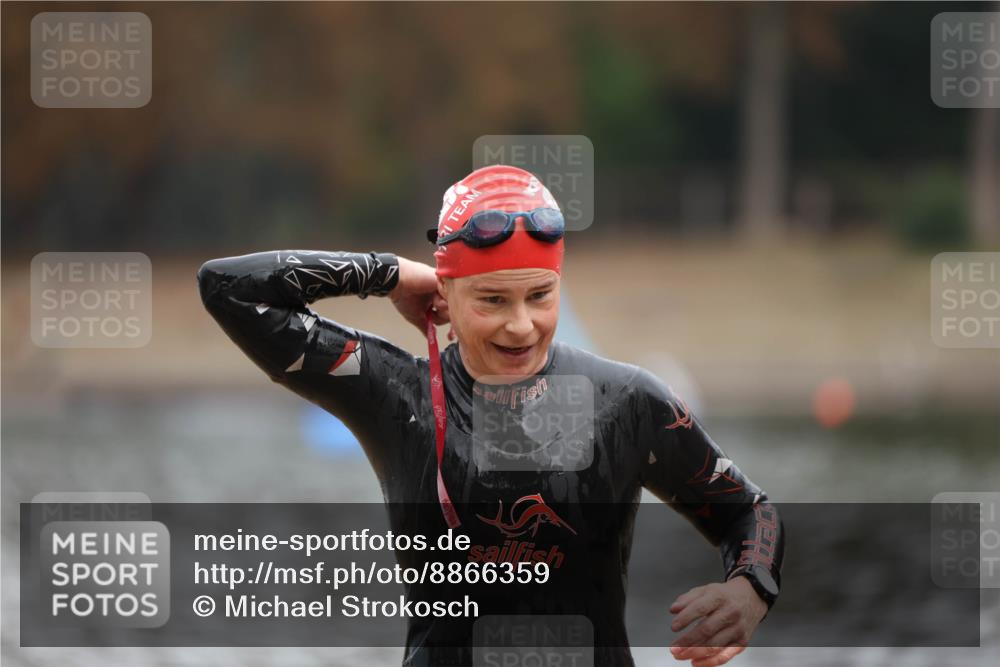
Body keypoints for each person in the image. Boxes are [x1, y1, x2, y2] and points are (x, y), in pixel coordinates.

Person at [198, 165, 785, 667]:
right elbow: (228, 287)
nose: (521, 324)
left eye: (540, 296)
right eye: (492, 300)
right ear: (445, 296)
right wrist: (388, 274)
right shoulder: (394, 396)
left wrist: (749, 589)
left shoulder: (626, 402)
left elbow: (747, 513)